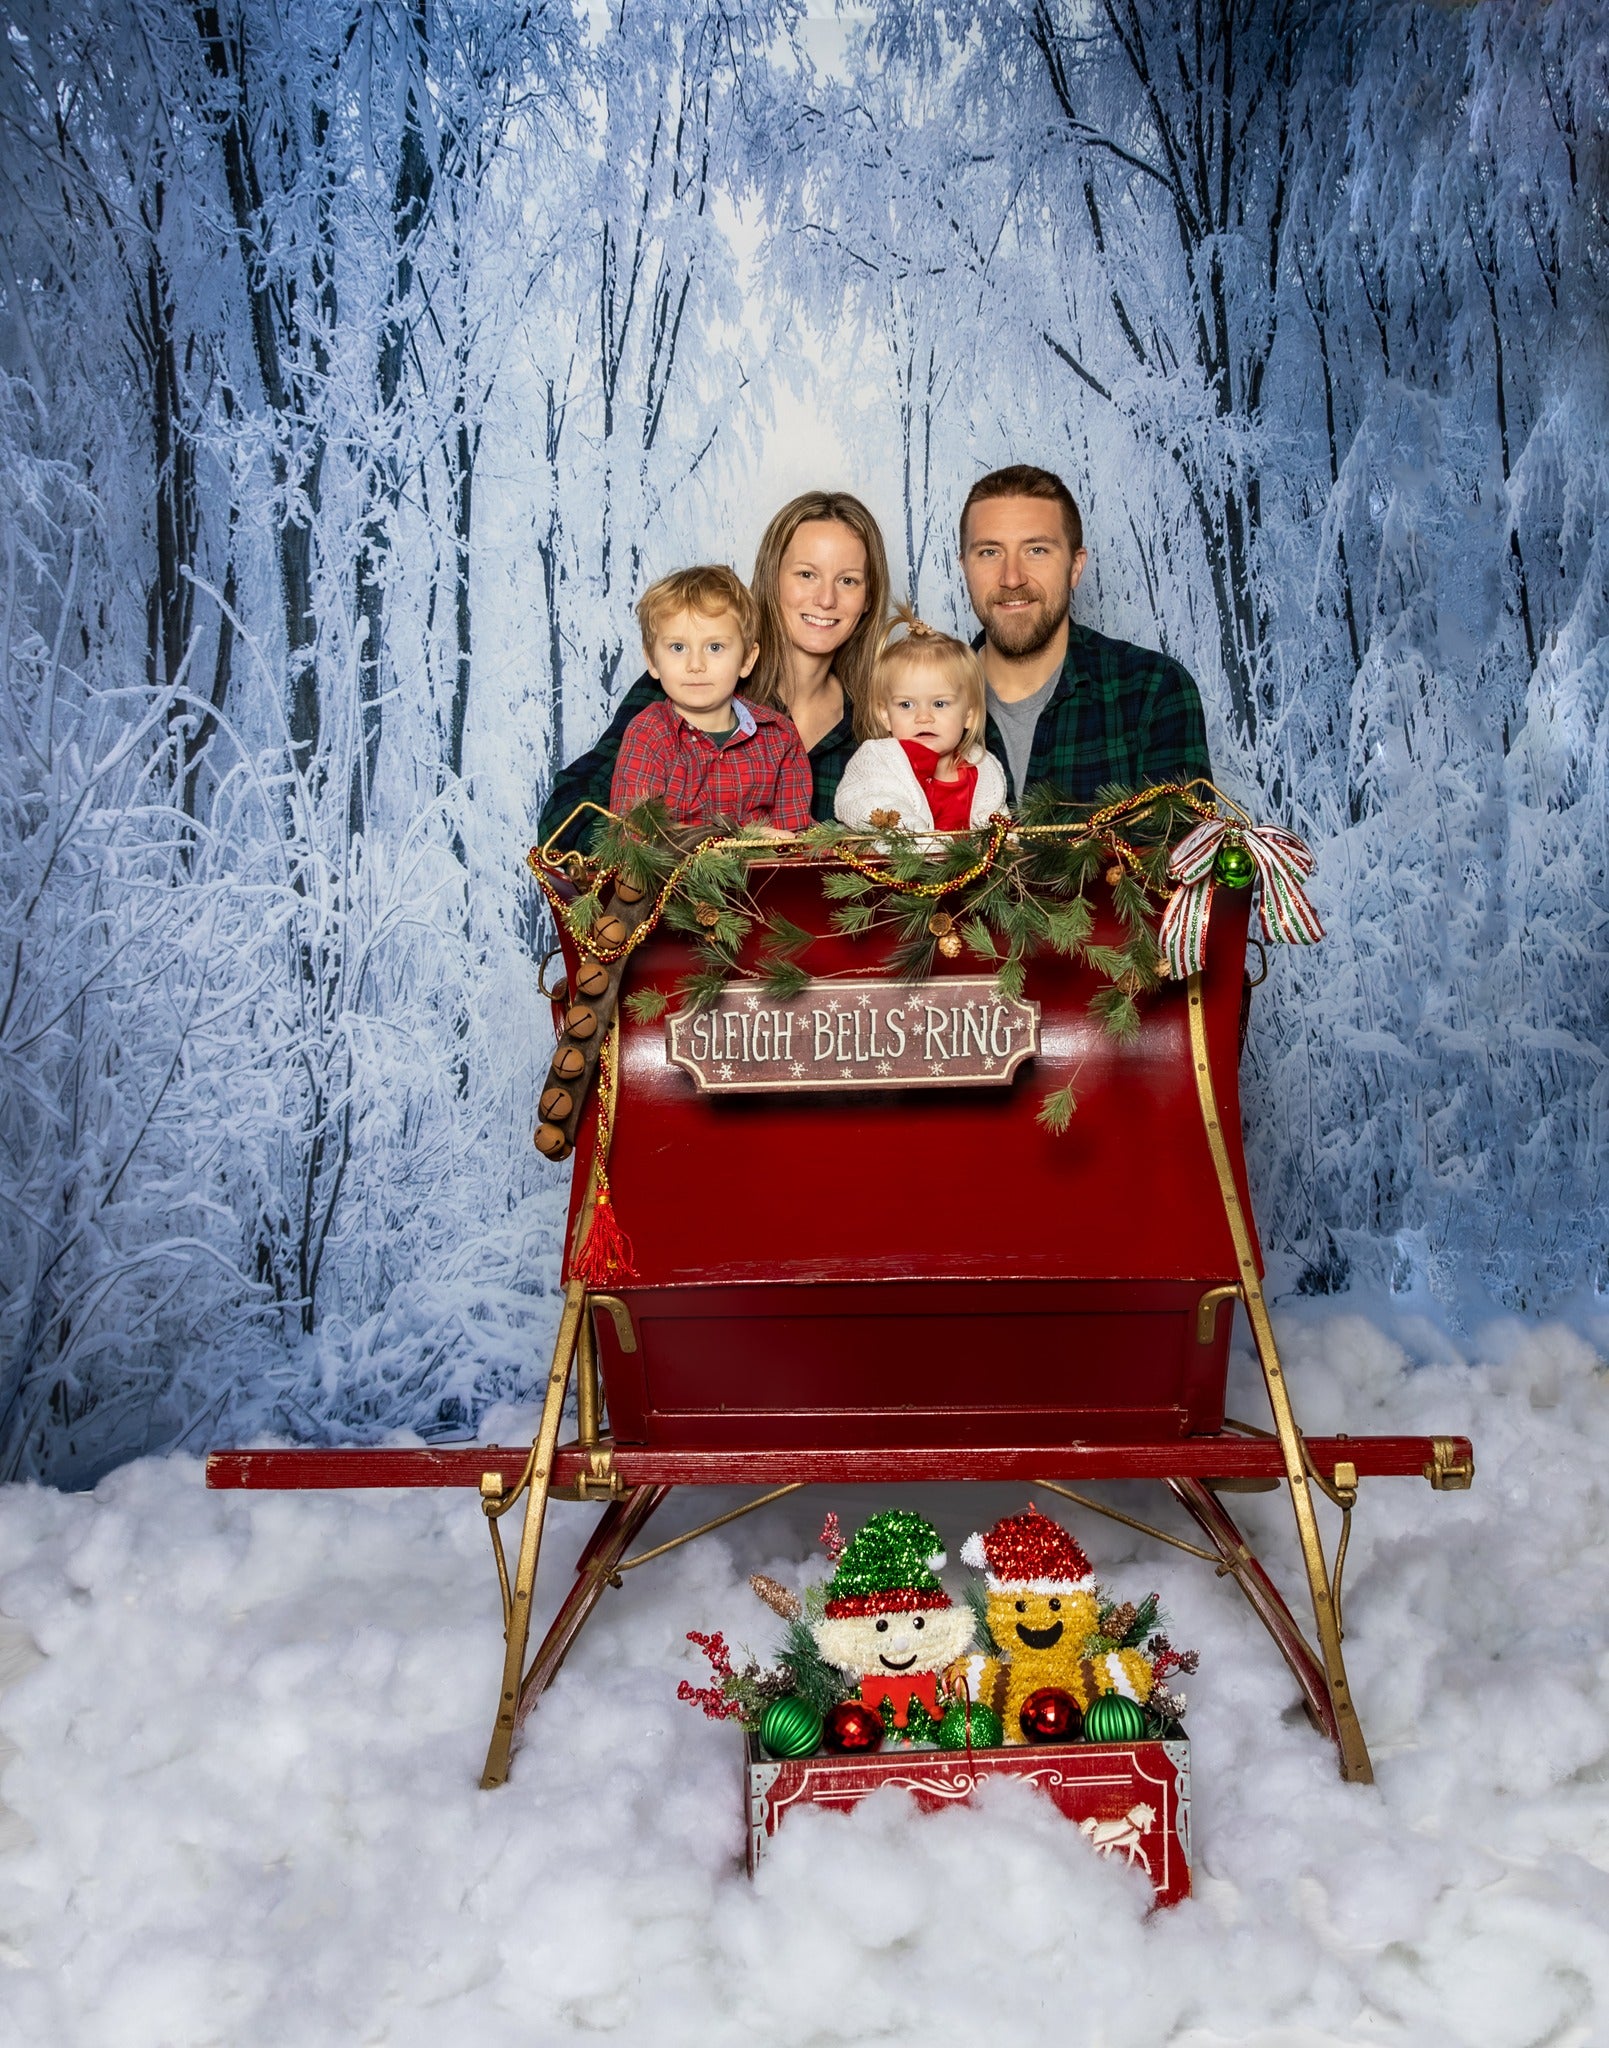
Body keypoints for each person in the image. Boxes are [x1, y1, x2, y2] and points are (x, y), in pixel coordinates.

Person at [538, 491, 889, 850]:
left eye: (848, 581)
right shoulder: (691, 681)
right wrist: (693, 849)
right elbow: (565, 815)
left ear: (868, 599)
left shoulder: (877, 725)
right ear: (772, 579)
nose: (826, 599)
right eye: (806, 574)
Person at [960, 464, 1212, 806]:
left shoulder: (1152, 692)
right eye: (989, 552)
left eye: (1036, 550)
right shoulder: (914, 701)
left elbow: (1178, 855)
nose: (1011, 577)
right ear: (964, 567)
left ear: (1075, 567)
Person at [609, 565, 812, 832]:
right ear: (652, 660)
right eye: (678, 647)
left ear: (747, 660)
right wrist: (735, 841)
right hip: (676, 875)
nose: (695, 664)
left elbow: (796, 842)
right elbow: (633, 842)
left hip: (764, 874)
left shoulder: (780, 738)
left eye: (715, 647)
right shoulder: (649, 735)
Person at [832, 606, 1008, 833]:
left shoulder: (983, 768)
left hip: (973, 868)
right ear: (885, 715)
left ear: (969, 715)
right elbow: (865, 803)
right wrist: (920, 839)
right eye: (906, 705)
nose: (923, 718)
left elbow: (999, 824)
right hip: (899, 866)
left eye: (939, 704)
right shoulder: (878, 760)